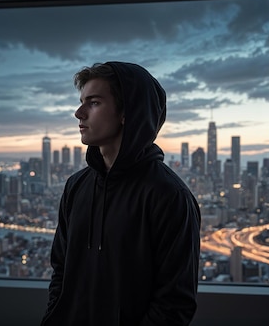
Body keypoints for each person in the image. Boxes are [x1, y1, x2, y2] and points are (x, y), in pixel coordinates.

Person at [40, 61, 202, 326]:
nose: (78, 113)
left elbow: (175, 303)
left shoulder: (169, 196)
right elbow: (60, 271)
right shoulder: (76, 187)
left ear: (127, 112)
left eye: (93, 103)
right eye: (82, 101)